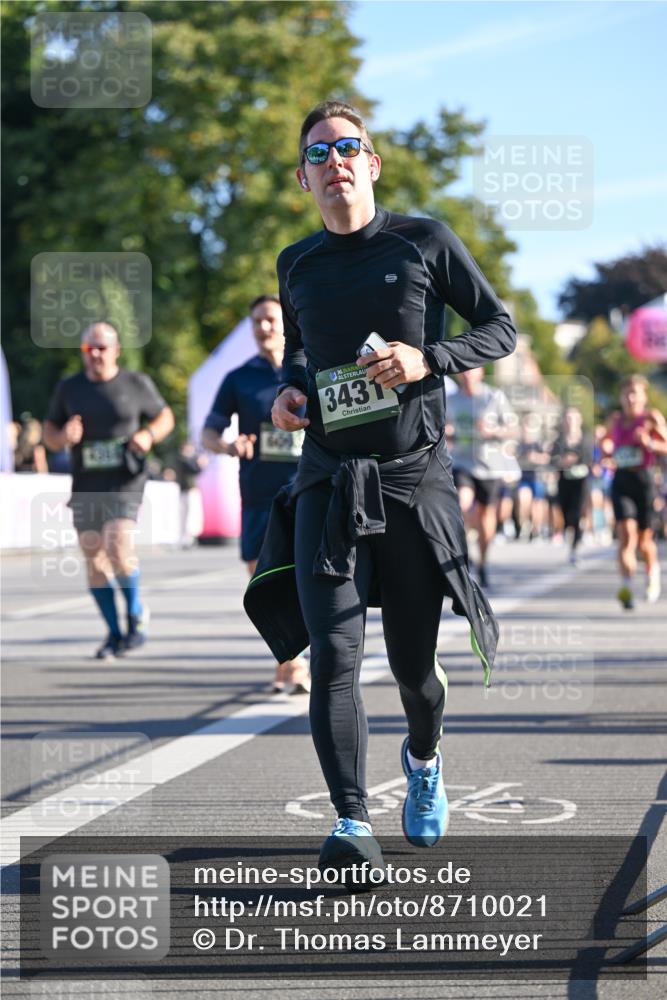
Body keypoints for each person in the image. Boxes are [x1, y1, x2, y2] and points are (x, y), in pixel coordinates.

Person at [243, 101, 516, 880]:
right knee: (332, 655)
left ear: (372, 163)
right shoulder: (295, 263)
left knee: (412, 672)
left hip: (409, 480)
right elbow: (302, 357)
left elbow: (500, 328)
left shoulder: (423, 239)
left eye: (348, 147)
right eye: (319, 152)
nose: (335, 161)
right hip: (327, 479)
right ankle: (351, 820)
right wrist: (288, 396)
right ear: (303, 177)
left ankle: (424, 759)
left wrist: (429, 357)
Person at [43, 322, 174, 658]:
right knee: (94, 559)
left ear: (116, 350)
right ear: (82, 352)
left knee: (117, 543)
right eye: (89, 348)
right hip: (87, 480)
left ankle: (135, 614)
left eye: (102, 348)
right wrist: (63, 438)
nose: (96, 354)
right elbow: (50, 433)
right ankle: (114, 634)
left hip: (125, 478)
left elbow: (165, 418)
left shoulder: (135, 383)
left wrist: (148, 435)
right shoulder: (69, 388)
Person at [201, 295, 310, 694]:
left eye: (270, 320)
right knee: (260, 576)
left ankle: (295, 664)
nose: (264, 328)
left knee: (302, 574)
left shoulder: (308, 367)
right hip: (258, 491)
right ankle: (291, 660)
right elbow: (208, 433)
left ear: (287, 323)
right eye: (257, 322)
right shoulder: (238, 377)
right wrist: (228, 446)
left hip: (305, 486)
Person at [446, 367, 520, 587]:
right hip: (462, 463)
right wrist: (447, 431)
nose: (467, 374)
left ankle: (483, 561)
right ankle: (459, 560)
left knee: (487, 518)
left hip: (490, 466)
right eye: (463, 371)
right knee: (460, 504)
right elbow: (443, 426)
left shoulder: (493, 397)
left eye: (471, 370)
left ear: (481, 373)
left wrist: (493, 431)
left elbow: (514, 430)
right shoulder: (452, 399)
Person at [605, 374, 667, 609]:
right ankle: (626, 586)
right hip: (622, 479)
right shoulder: (616, 420)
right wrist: (608, 454)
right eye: (627, 394)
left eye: (635, 393)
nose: (631, 398)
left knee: (644, 542)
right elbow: (608, 445)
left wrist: (650, 443)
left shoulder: (651, 418)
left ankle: (652, 573)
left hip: (644, 480)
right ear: (621, 397)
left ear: (644, 397)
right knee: (626, 535)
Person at [550, 406, 592, 565]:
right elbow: (553, 460)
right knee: (566, 514)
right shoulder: (559, 441)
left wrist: (573, 459)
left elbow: (587, 458)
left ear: (579, 420)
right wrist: (563, 461)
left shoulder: (586, 439)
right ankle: (571, 538)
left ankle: (575, 546)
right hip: (564, 481)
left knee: (577, 513)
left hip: (581, 482)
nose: (570, 422)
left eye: (573, 418)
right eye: (567, 418)